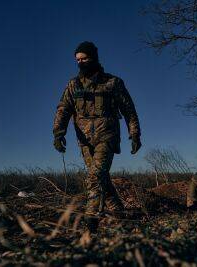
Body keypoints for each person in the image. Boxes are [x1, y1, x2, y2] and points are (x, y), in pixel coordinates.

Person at [52, 41, 142, 232]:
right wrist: (58, 134)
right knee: (102, 178)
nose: (80, 62)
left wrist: (134, 134)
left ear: (94, 58)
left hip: (106, 137)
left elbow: (129, 110)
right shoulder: (73, 85)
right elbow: (63, 109)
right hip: (84, 141)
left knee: (94, 177)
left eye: (84, 58)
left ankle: (91, 221)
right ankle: (119, 213)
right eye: (77, 60)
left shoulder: (113, 82)